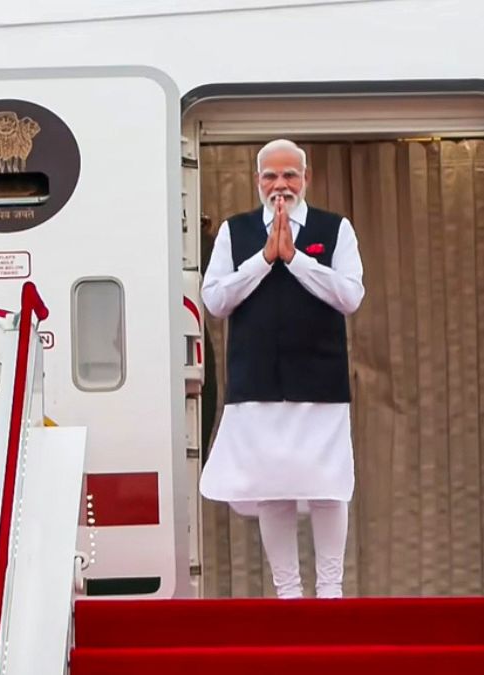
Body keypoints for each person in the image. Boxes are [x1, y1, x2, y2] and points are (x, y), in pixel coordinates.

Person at [199, 138, 365, 599]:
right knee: (273, 488)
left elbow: (351, 296)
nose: (280, 185)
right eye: (271, 176)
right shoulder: (235, 231)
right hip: (257, 381)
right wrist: (264, 259)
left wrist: (296, 260)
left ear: (306, 178)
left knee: (328, 486)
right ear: (257, 181)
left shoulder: (336, 229)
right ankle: (288, 592)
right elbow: (215, 300)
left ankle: (330, 590)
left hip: (320, 381)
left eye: (290, 175)